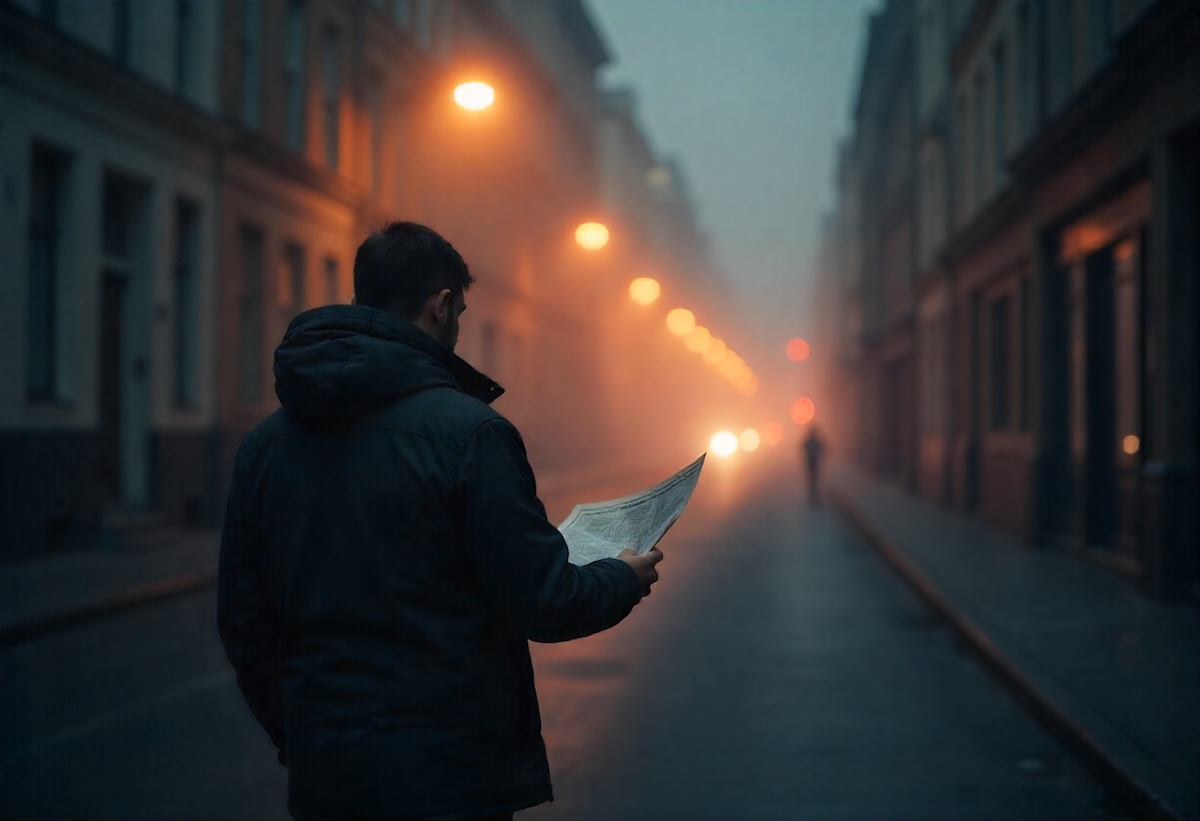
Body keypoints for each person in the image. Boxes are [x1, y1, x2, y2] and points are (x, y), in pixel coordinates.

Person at [217, 221, 664, 821]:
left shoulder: (263, 447)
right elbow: (544, 601)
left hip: (327, 780)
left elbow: (244, 624)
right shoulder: (472, 435)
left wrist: (301, 738)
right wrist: (623, 578)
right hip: (449, 780)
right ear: (443, 305)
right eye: (460, 313)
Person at [801, 425, 826, 505]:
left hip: (813, 462)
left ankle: (814, 495)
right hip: (811, 463)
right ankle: (813, 496)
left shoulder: (812, 442)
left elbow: (824, 449)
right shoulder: (811, 442)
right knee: (813, 480)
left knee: (813, 480)